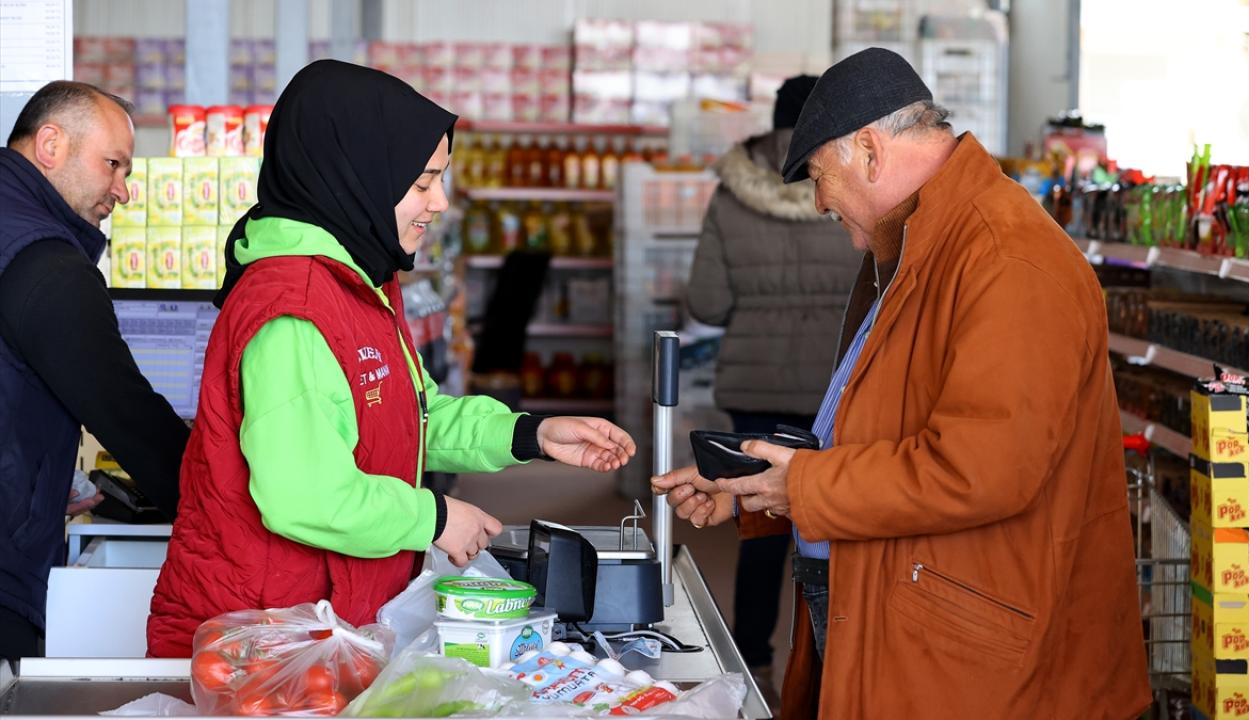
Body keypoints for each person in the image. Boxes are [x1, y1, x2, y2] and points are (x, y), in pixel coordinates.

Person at [653, 48, 1150, 718]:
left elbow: (981, 471)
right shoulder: (920, 243)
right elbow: (884, 435)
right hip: (909, 607)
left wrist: (802, 486)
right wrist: (760, 490)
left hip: (972, 655)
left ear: (869, 150)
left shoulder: (1007, 260)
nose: (821, 203)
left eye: (821, 178)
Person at [147, 61, 636, 657]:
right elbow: (305, 494)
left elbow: (410, 415)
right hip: (259, 647)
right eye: (423, 183)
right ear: (357, 176)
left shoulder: (359, 281)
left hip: (321, 629)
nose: (441, 202)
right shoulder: (293, 314)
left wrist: (530, 434)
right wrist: (435, 519)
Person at [684, 74, 861, 707]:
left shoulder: (732, 192)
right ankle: (831, 673)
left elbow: (706, 301)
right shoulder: (849, 182)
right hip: (835, 386)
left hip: (753, 383)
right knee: (833, 524)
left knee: (756, 519)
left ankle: (752, 664)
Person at [0, 82, 190, 664]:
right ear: (50, 145)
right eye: (113, 165)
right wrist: (228, 507)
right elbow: (130, 416)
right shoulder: (49, 267)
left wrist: (42, 478)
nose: (123, 191)